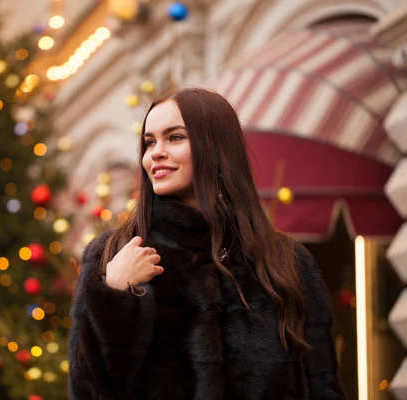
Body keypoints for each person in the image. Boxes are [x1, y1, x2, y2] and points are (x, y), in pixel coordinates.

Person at [67, 88, 346, 400]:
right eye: (149, 142)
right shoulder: (116, 253)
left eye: (174, 137)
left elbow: (323, 386)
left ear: (214, 145)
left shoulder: (284, 261)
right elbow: (89, 392)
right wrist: (115, 296)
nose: (156, 152)